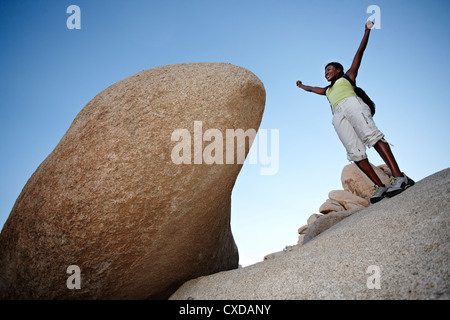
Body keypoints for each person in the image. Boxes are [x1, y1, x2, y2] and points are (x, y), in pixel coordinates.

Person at [296, 21, 414, 204]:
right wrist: (301, 85)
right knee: (354, 152)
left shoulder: (348, 76)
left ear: (339, 70)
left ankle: (399, 177)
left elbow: (360, 52)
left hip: (352, 104)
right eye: (324, 71)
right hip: (337, 115)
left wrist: (366, 31)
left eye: (329, 69)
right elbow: (313, 89)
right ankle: (380, 186)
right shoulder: (327, 90)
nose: (326, 72)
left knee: (372, 136)